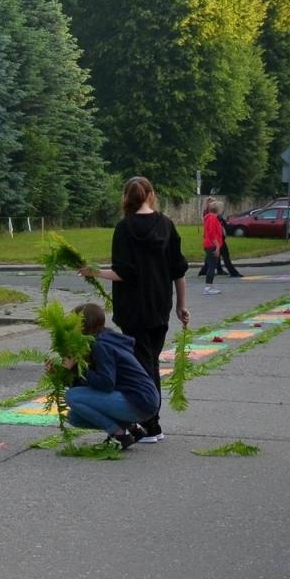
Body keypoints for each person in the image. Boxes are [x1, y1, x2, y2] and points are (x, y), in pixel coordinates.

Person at [79, 176, 189, 443]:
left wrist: (94, 272)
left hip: (132, 308)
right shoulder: (167, 225)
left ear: (126, 197)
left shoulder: (124, 228)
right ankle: (149, 422)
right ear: (151, 194)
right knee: (149, 360)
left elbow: (123, 272)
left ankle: (151, 424)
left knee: (143, 366)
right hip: (160, 305)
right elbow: (179, 271)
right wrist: (181, 305)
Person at [56, 302, 160, 450]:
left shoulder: (101, 346)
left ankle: (119, 435)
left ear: (83, 326)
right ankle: (133, 429)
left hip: (139, 401)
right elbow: (88, 388)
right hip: (141, 400)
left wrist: (76, 368)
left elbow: (106, 384)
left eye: (74, 325)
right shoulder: (103, 339)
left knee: (71, 396)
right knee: (75, 416)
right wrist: (65, 372)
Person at [200, 199, 225, 295]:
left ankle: (209, 286)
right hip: (212, 245)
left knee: (212, 266)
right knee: (211, 266)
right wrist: (217, 246)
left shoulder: (212, 218)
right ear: (218, 209)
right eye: (221, 209)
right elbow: (212, 233)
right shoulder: (212, 218)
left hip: (211, 244)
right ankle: (208, 287)